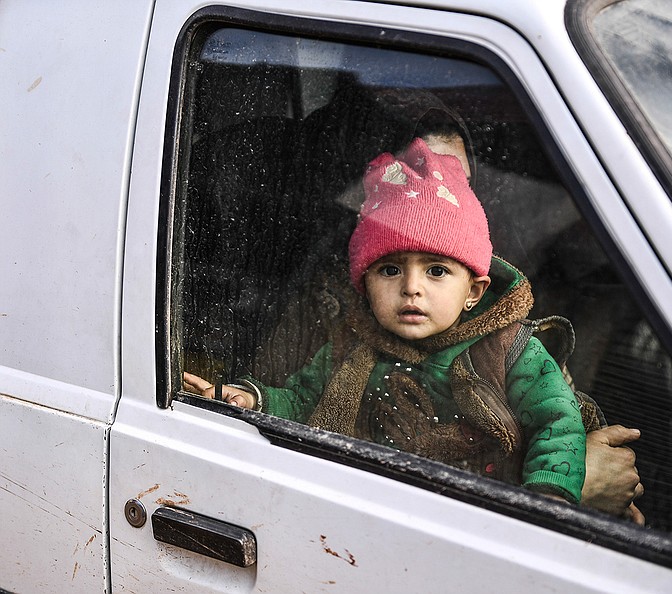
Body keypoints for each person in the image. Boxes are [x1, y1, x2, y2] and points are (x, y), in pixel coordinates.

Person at [186, 138, 588, 502]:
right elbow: (305, 401)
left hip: (480, 512)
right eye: (390, 271)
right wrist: (255, 400)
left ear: (473, 292)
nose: (412, 287)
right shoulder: (351, 346)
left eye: (436, 271)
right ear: (364, 284)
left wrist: (548, 498)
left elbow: (557, 421)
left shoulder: (511, 350)